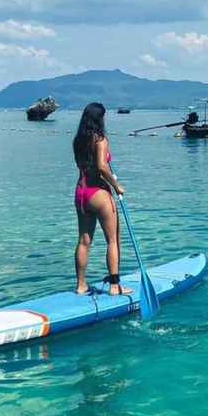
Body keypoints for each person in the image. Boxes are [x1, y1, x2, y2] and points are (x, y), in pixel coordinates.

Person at [72, 102, 133, 296]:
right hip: (98, 194)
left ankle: (81, 285)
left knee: (84, 240)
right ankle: (115, 285)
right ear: (100, 118)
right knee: (112, 240)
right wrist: (116, 186)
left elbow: (82, 165)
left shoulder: (78, 140)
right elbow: (101, 166)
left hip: (81, 193)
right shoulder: (101, 140)